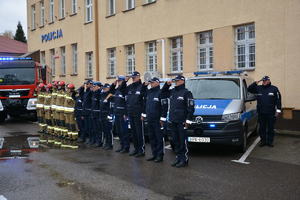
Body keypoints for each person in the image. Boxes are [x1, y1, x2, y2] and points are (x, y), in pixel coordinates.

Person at [161, 75, 194, 168]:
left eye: (177, 81)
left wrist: (188, 120)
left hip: (181, 122)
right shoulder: (172, 91)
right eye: (175, 81)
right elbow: (162, 94)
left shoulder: (187, 93)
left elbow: (191, 107)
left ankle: (184, 160)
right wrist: (166, 85)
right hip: (173, 121)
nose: (176, 82)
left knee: (182, 142)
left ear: (182, 81)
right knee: (175, 142)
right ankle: (178, 158)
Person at [248, 76, 282, 147]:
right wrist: (255, 83)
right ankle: (263, 141)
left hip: (271, 113)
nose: (264, 82)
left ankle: (270, 142)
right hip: (261, 112)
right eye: (263, 81)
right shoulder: (258, 88)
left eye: (265, 81)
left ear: (269, 81)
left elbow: (278, 100)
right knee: (262, 128)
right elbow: (249, 89)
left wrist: (278, 111)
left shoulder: (274, 89)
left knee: (270, 128)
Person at [143, 77, 168, 162]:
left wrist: (162, 119)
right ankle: (154, 154)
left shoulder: (161, 92)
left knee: (159, 138)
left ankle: (160, 156)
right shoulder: (149, 92)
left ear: (157, 83)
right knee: (152, 138)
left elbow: (165, 107)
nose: (151, 84)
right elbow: (144, 103)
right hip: (150, 119)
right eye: (150, 83)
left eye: (153, 82)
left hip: (158, 120)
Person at [126, 71, 147, 157]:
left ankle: (141, 150)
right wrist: (125, 81)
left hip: (138, 113)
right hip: (131, 112)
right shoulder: (130, 87)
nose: (133, 78)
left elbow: (145, 101)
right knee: (133, 132)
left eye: (135, 77)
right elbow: (121, 90)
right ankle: (136, 149)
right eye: (132, 77)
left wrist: (143, 114)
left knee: (139, 133)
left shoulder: (142, 87)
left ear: (139, 77)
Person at [110, 75, 130, 153]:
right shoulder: (117, 90)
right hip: (117, 113)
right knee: (119, 131)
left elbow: (127, 103)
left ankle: (126, 147)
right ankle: (122, 146)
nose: (118, 82)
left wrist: (126, 113)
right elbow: (111, 91)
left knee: (124, 131)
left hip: (123, 114)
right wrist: (114, 83)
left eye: (120, 81)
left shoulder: (125, 90)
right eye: (118, 81)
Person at [99, 83, 114, 150]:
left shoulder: (110, 95)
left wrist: (110, 115)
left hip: (107, 115)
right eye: (104, 88)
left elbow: (111, 106)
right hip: (102, 114)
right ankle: (106, 143)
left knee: (109, 130)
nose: (104, 89)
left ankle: (110, 144)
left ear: (108, 88)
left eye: (105, 88)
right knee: (104, 130)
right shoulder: (102, 95)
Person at [90, 82, 103, 147]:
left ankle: (99, 142)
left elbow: (100, 105)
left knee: (98, 129)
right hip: (93, 114)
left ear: (98, 87)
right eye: (93, 86)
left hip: (98, 114)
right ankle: (95, 140)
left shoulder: (100, 94)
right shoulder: (94, 94)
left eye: (95, 86)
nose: (93, 88)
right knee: (94, 128)